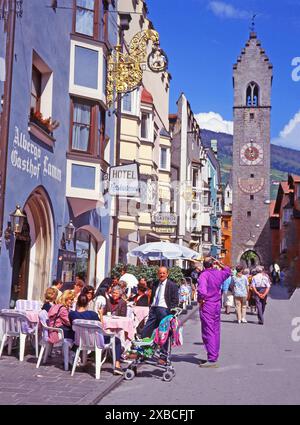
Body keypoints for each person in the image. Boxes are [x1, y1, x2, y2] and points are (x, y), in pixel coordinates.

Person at [69, 294, 124, 375]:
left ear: (77, 303)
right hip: (96, 341)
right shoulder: (92, 314)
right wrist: (101, 314)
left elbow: (72, 327)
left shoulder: (72, 314)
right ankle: (117, 365)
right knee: (117, 340)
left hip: (80, 340)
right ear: (87, 304)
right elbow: (100, 327)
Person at [197, 257, 231, 368]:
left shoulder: (204, 275)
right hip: (216, 304)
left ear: (204, 265)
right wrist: (220, 263)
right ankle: (214, 355)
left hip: (208, 305)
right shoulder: (218, 273)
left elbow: (202, 291)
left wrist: (201, 299)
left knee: (208, 331)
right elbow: (228, 271)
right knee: (215, 330)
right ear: (213, 264)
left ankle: (211, 358)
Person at [141, 267, 179, 365]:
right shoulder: (155, 284)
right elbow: (153, 296)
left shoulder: (172, 285)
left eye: (163, 273)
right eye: (160, 273)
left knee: (163, 333)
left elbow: (175, 300)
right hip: (154, 309)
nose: (161, 275)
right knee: (146, 330)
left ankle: (163, 355)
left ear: (167, 274)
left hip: (164, 310)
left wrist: (171, 311)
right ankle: (146, 351)